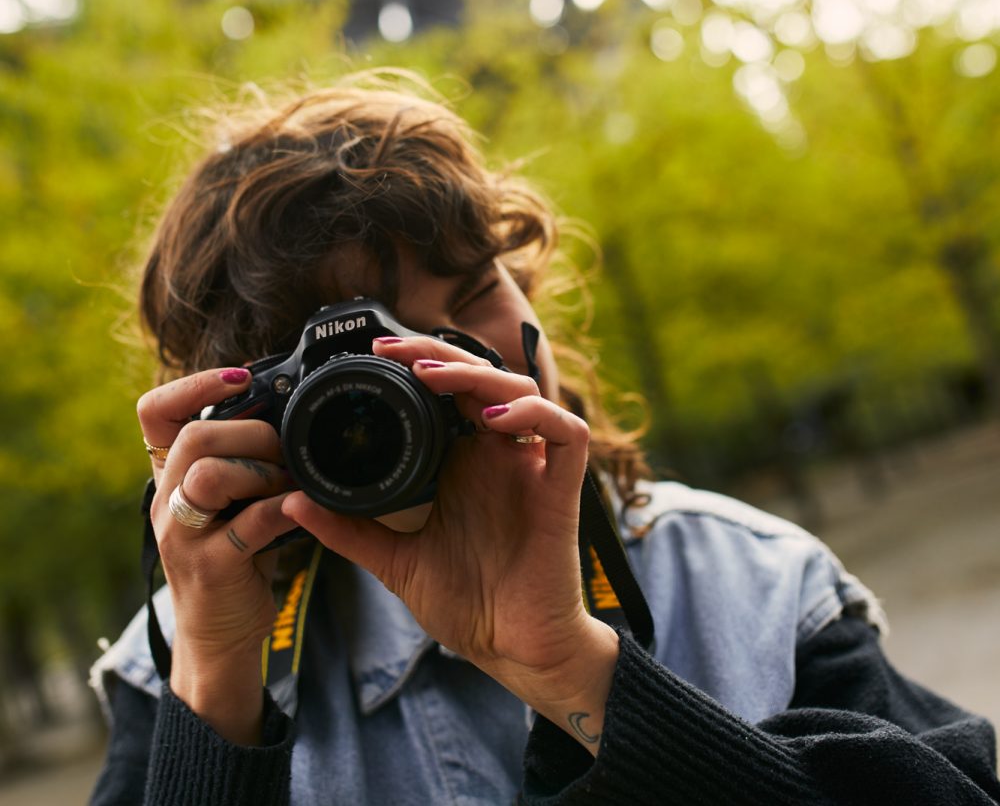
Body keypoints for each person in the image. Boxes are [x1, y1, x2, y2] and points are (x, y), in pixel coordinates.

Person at [90, 72, 1000, 805]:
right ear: (254, 413)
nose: (459, 357)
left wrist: (575, 669)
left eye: (475, 288)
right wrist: (212, 692)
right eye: (372, 359)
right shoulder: (177, 658)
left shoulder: (744, 583)